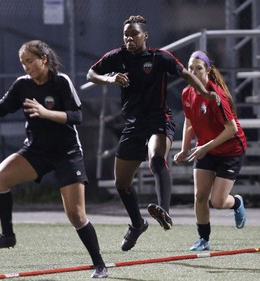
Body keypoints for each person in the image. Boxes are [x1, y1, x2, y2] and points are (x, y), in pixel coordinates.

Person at [0, 40, 108, 278]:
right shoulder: (22, 85)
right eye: (23, 62)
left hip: (67, 153)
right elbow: (2, 109)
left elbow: (77, 116)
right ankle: (8, 235)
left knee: (76, 215)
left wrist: (46, 113)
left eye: (30, 61)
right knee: (0, 178)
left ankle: (99, 264)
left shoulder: (61, 82)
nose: (26, 66)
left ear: (43, 59)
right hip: (36, 152)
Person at [86, 15, 217, 252]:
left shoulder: (160, 58)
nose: (129, 39)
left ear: (145, 35)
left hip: (159, 119)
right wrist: (110, 78)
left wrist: (205, 93)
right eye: (126, 35)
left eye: (134, 34)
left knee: (156, 158)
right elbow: (90, 74)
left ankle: (164, 209)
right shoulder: (117, 57)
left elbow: (186, 75)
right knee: (121, 184)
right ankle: (137, 224)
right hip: (133, 125)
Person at [173, 50, 247, 251]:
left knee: (218, 201)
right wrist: (184, 149)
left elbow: (231, 129)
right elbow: (189, 122)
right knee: (199, 197)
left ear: (208, 71)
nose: (194, 72)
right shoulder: (187, 93)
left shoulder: (216, 96)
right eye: (190, 68)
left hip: (230, 150)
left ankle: (237, 204)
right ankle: (203, 240)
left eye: (198, 68)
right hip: (206, 149)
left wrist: (204, 147)